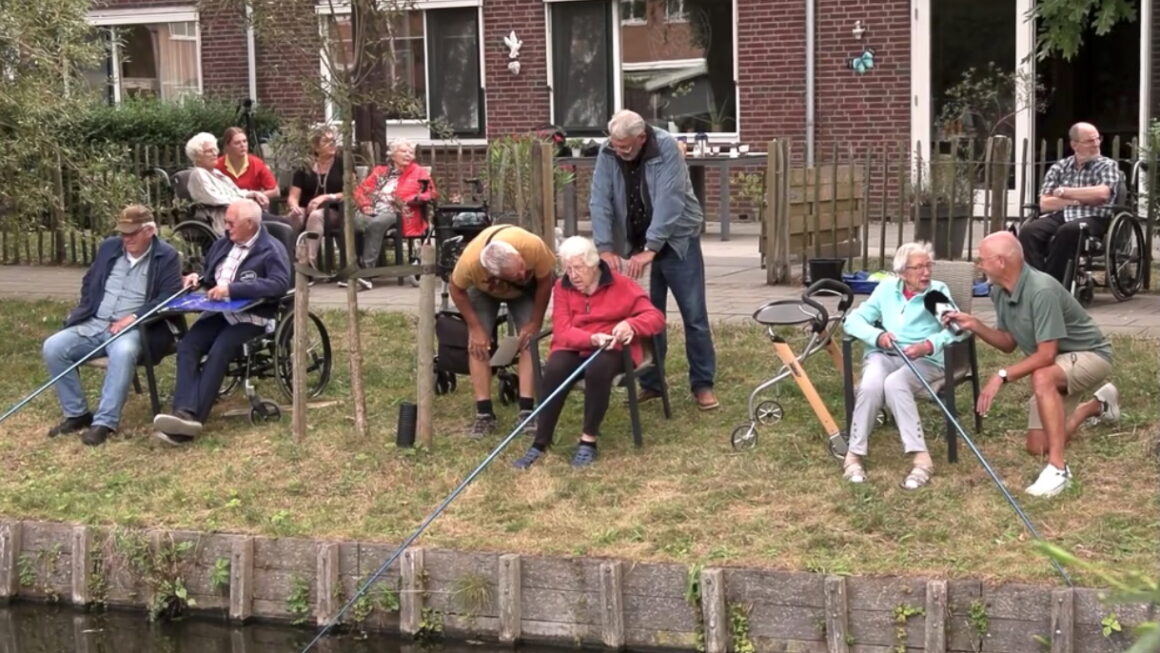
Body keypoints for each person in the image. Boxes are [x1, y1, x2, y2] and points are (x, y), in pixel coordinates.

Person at [945, 231, 1119, 498]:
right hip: (1057, 364)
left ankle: (1059, 470)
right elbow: (1008, 343)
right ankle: (1097, 405)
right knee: (1037, 446)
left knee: (1042, 376)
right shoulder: (999, 292)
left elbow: (1046, 355)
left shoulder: (1041, 290)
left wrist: (1001, 376)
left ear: (1001, 262)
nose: (978, 265)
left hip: (1091, 356)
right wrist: (976, 325)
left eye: (982, 259)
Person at [589, 109, 718, 411]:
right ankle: (652, 383)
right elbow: (599, 198)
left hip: (676, 241)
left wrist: (652, 247)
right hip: (638, 244)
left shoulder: (666, 148)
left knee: (694, 315)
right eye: (615, 145)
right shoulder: (609, 151)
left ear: (641, 137)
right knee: (644, 316)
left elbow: (669, 201)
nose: (618, 151)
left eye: (625, 146)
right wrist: (605, 247)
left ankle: (702, 384)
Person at [511, 237, 665, 469]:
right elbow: (562, 332)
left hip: (613, 347)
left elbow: (655, 318)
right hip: (578, 343)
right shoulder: (562, 287)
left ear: (593, 265)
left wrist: (630, 325)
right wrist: (591, 338)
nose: (572, 275)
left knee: (598, 369)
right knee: (555, 367)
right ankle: (540, 441)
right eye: (567, 268)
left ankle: (588, 441)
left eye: (578, 268)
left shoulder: (622, 285)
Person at [152, 199, 291, 445]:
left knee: (220, 349)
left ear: (250, 224)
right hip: (220, 313)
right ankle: (182, 411)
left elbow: (279, 284)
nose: (226, 227)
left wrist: (233, 289)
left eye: (231, 222)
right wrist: (197, 278)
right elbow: (210, 273)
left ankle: (194, 419)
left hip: (253, 317)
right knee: (188, 346)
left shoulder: (271, 249)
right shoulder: (222, 244)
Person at [41, 205, 183, 446]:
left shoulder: (166, 255)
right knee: (53, 347)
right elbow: (90, 280)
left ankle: (104, 422)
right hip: (96, 322)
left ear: (149, 231)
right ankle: (77, 414)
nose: (125, 239)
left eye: (132, 233)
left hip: (135, 327)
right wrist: (86, 307)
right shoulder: (109, 247)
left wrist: (135, 316)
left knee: (123, 351)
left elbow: (169, 296)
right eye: (122, 233)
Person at [842, 242, 963, 489]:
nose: (926, 273)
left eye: (929, 266)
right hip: (886, 353)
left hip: (925, 360)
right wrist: (877, 337)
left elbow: (957, 331)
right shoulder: (886, 290)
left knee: (896, 383)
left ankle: (921, 460)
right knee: (871, 383)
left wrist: (928, 345)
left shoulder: (936, 293)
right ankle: (854, 455)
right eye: (918, 268)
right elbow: (853, 320)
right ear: (902, 272)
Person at [448, 224, 555, 439]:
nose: (523, 273)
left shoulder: (531, 245)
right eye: (517, 275)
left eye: (523, 267)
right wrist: (476, 328)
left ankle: (527, 409)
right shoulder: (470, 264)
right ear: (493, 273)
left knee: (529, 341)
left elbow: (546, 280)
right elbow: (456, 289)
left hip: (526, 293)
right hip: (484, 292)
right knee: (478, 345)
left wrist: (535, 321)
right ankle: (484, 413)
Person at [1018, 122, 1122, 285]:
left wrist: (1064, 192)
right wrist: (1080, 198)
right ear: (1075, 144)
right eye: (1089, 141)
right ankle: (1035, 283)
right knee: (1029, 231)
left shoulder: (1107, 165)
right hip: (1061, 215)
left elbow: (1102, 194)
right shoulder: (1059, 167)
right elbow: (1045, 203)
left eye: (1097, 139)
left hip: (1094, 217)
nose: (1096, 144)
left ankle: (1053, 285)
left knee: (1069, 230)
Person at [349, 138, 436, 290]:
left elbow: (430, 193)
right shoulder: (380, 172)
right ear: (393, 155)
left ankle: (366, 273)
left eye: (411, 152)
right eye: (403, 151)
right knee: (352, 223)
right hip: (373, 210)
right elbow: (360, 191)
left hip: (399, 213)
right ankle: (352, 268)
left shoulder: (418, 172)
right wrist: (365, 204)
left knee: (376, 224)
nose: (408, 155)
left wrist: (408, 200)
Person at [286, 126, 345, 271]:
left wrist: (326, 197)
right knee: (293, 217)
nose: (332, 144)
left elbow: (351, 192)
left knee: (316, 216)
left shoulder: (342, 163)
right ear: (315, 147)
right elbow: (293, 195)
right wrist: (294, 206)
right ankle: (289, 261)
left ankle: (308, 266)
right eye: (326, 141)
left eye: (333, 141)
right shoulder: (304, 165)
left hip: (334, 211)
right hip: (306, 209)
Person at [185, 132, 272, 212]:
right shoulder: (198, 174)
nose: (215, 153)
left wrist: (253, 193)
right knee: (278, 227)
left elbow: (235, 191)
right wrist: (247, 202)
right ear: (197, 156)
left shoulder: (216, 173)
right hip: (223, 218)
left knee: (280, 224)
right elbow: (216, 199)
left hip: (241, 214)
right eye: (209, 151)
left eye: (215, 149)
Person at [215, 126, 280, 204]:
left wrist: (255, 197)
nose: (242, 145)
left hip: (252, 207)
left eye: (245, 141)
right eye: (237, 143)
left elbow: (275, 191)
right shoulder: (217, 165)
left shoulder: (257, 163)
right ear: (227, 146)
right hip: (226, 208)